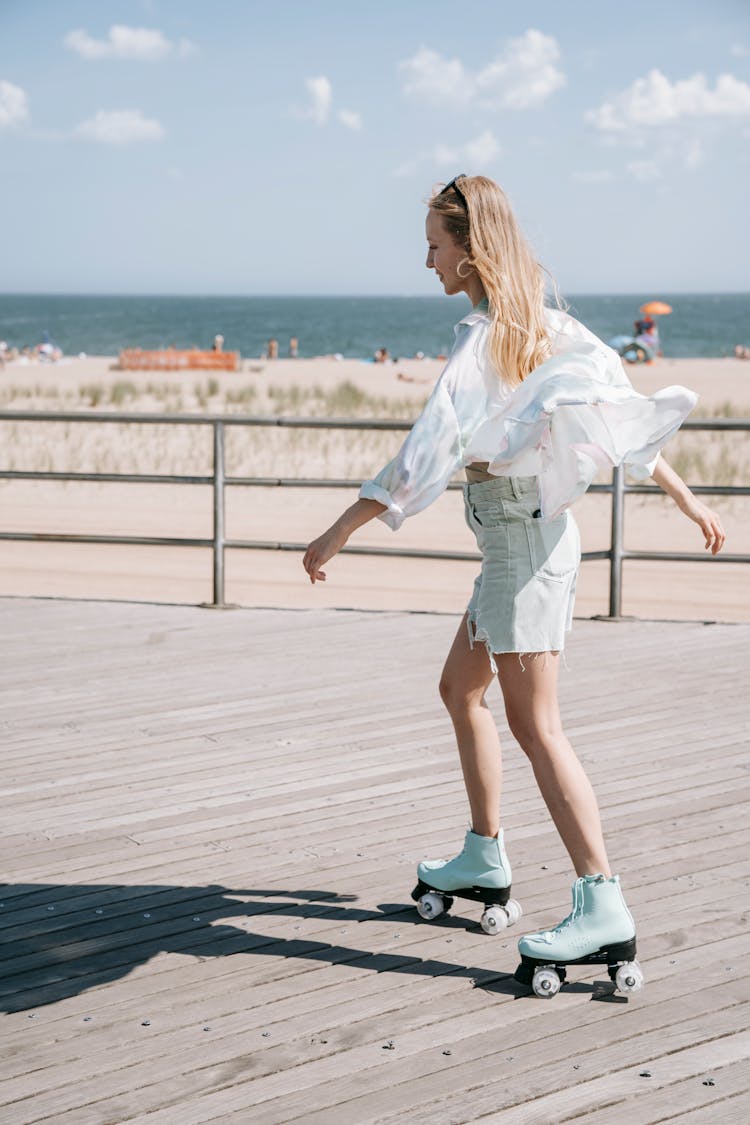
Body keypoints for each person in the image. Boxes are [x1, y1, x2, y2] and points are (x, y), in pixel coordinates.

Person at [302, 174, 725, 995]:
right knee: (460, 686)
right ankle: (485, 852)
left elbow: (425, 454)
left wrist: (339, 529)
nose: (427, 260)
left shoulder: (490, 341)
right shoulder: (534, 327)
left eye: (436, 244)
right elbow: (605, 407)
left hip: (524, 544)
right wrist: (689, 498)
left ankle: (601, 902)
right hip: (517, 541)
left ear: (471, 248)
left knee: (539, 726)